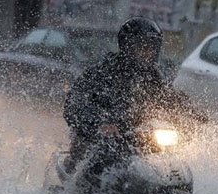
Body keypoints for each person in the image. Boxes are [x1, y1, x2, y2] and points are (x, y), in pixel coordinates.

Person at [63, 17, 205, 184]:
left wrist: (195, 118)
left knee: (167, 163)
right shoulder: (102, 72)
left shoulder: (153, 77)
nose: (147, 52)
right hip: (100, 141)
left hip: (138, 142)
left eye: (151, 48)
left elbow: (172, 100)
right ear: (126, 47)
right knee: (99, 166)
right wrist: (100, 122)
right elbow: (75, 102)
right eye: (141, 47)